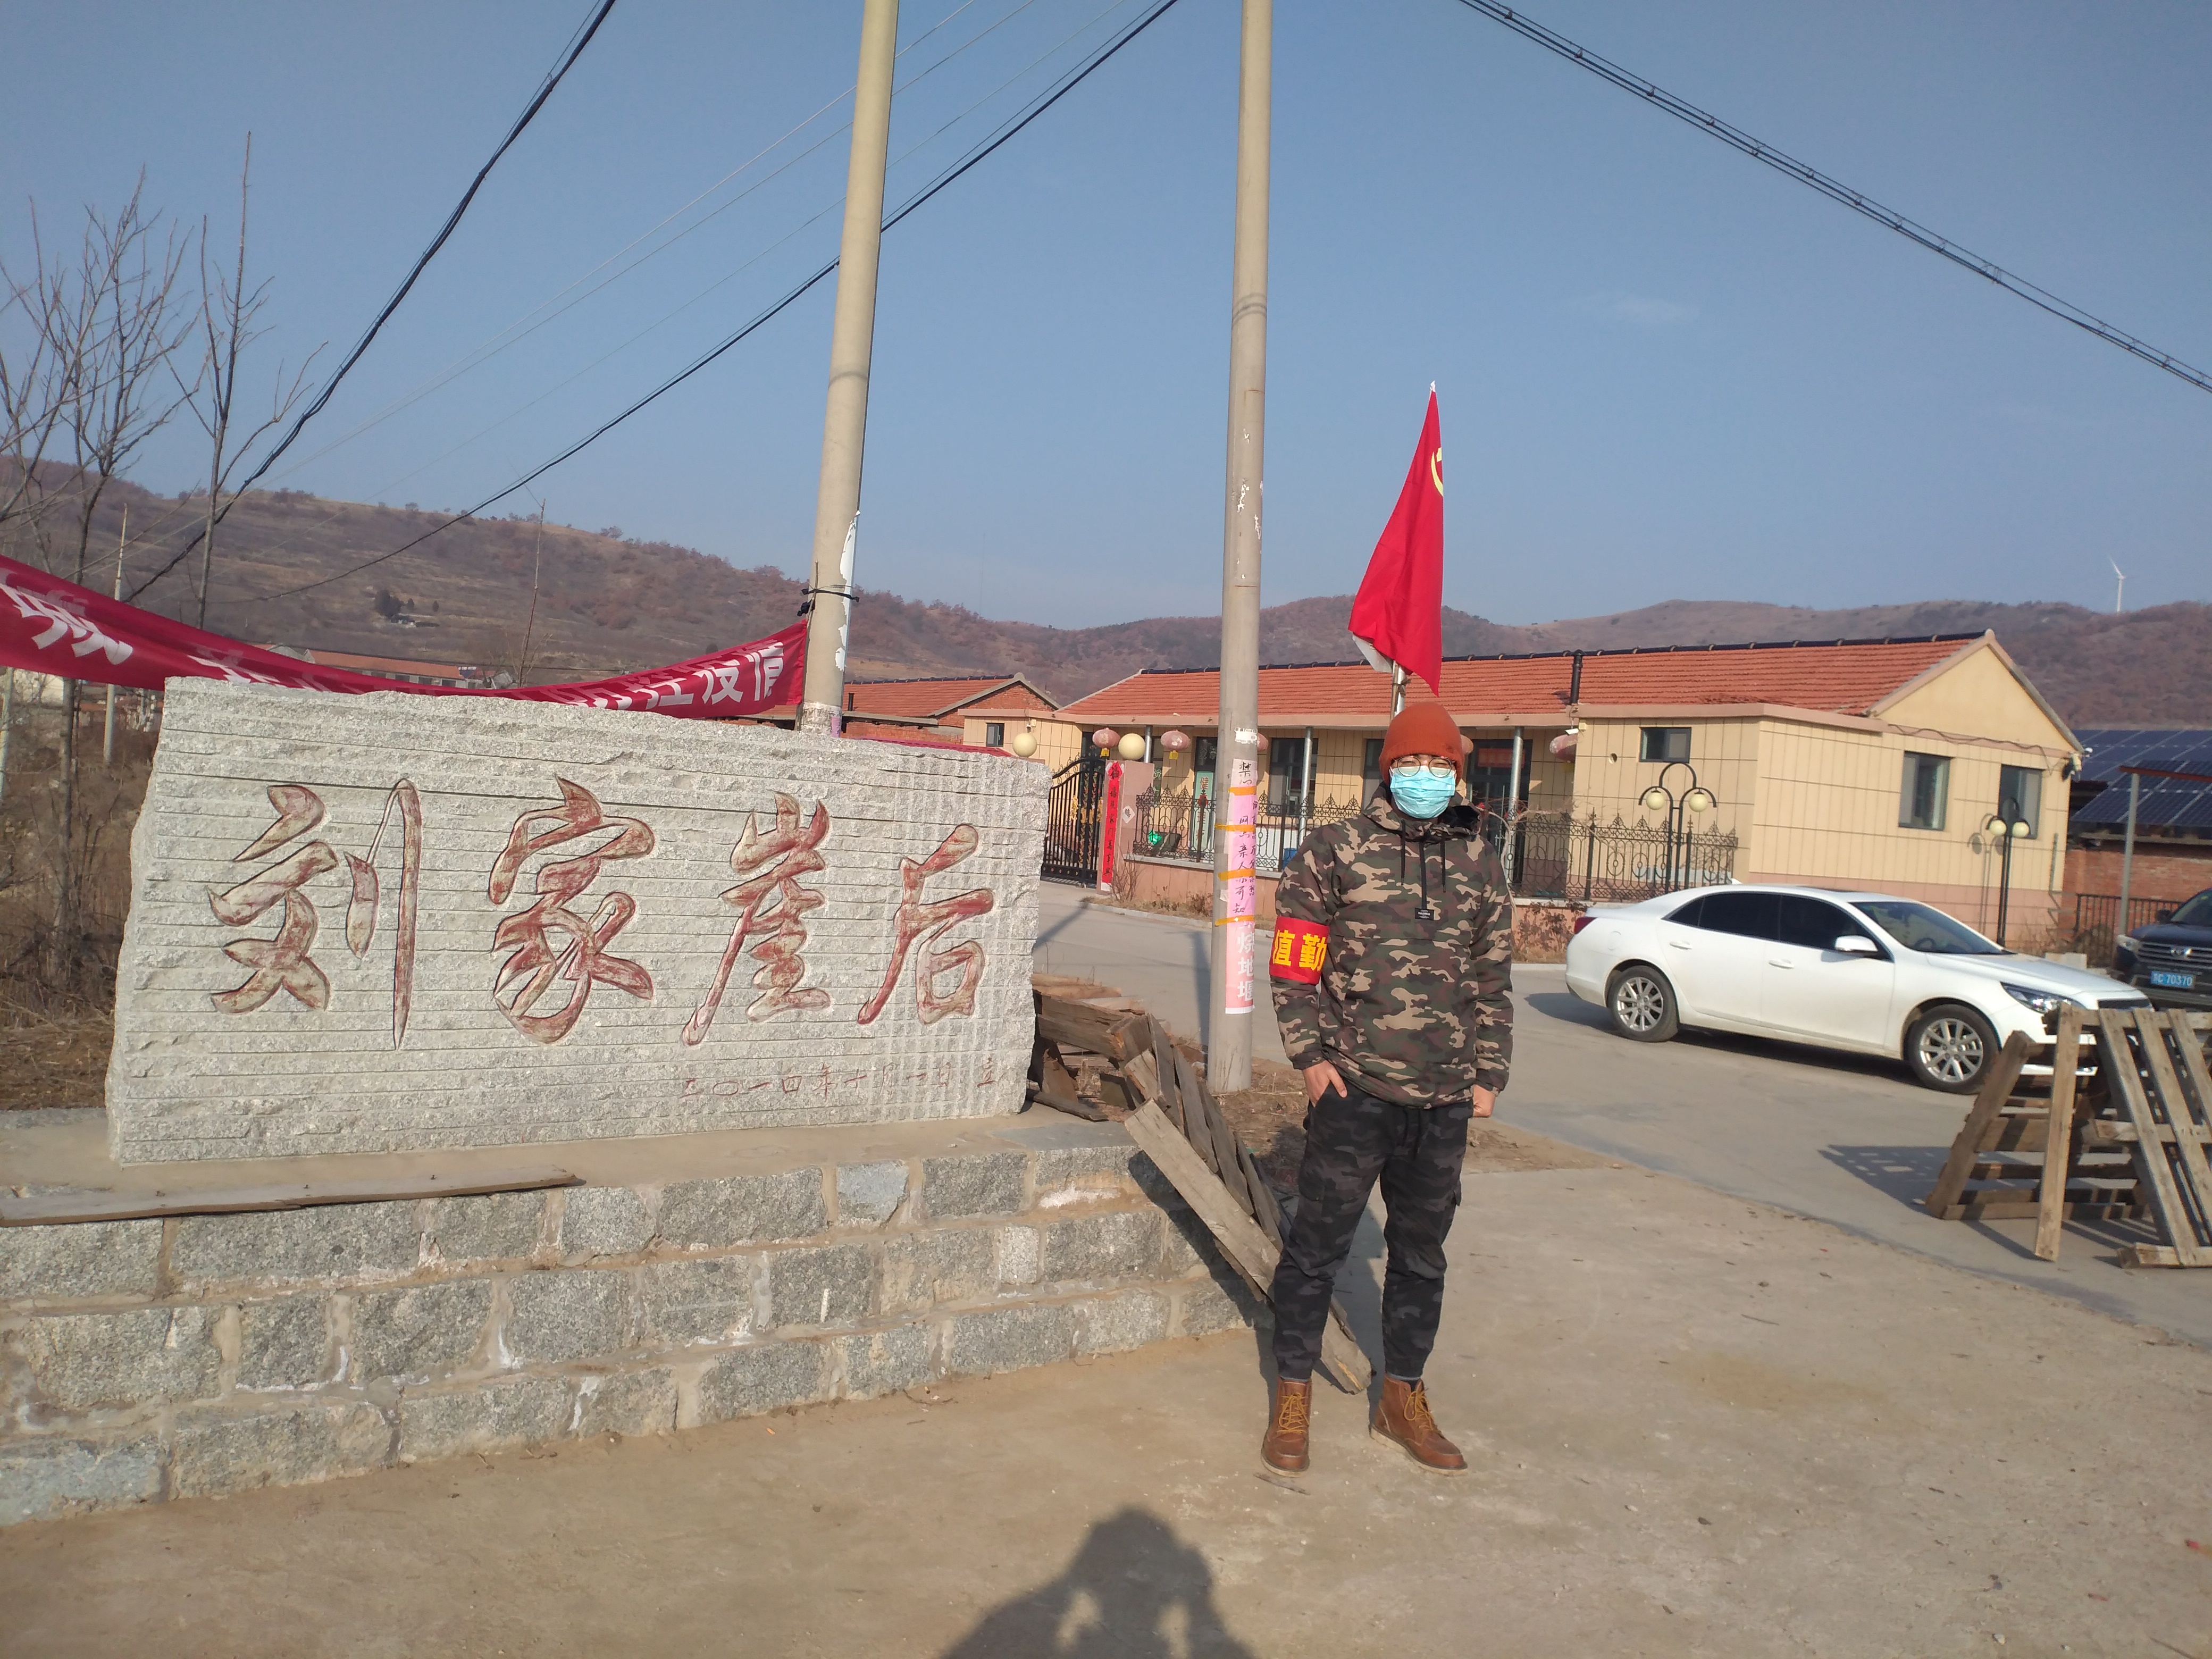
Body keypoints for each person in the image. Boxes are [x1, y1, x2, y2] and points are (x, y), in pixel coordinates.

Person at [1260, 701, 1513, 1476]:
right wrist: (1310, 1058)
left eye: (1440, 765)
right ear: (1389, 769)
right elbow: (1295, 963)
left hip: (1443, 1102)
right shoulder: (1335, 850)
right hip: (1354, 1091)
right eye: (1412, 763)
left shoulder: (1479, 858)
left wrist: (1489, 1073)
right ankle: (1293, 1393)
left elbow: (1493, 976)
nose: (1425, 776)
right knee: (1317, 1250)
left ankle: (1402, 1397)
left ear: (1457, 774)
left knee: (1422, 1258)